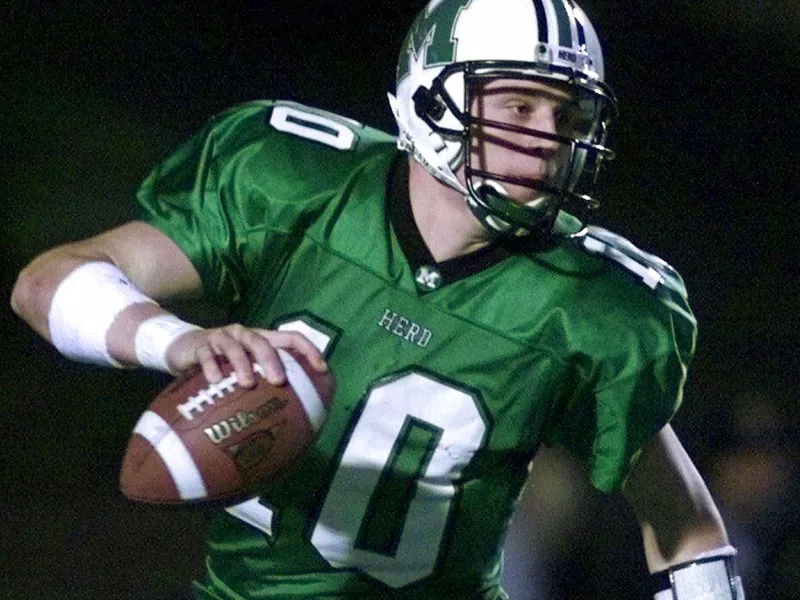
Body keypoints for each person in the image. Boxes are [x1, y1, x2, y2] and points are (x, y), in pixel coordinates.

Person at [11, 0, 745, 598]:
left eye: (569, 117)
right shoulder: (296, 185)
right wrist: (179, 341)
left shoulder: (592, 307)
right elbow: (43, 285)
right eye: (520, 106)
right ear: (433, 95)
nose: (550, 138)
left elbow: (687, 530)